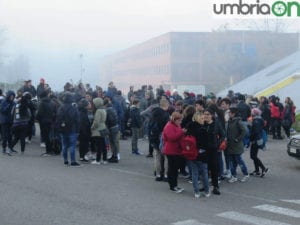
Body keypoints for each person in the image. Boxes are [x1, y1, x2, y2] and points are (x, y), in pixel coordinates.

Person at [186, 112, 210, 198]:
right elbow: (206, 144)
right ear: (199, 119)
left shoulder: (190, 128)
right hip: (202, 154)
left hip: (191, 153)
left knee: (195, 174)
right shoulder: (202, 130)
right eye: (203, 118)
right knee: (204, 173)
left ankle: (196, 192)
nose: (204, 120)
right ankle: (207, 191)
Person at [162, 112, 185, 193]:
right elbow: (171, 137)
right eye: (179, 120)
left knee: (175, 169)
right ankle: (173, 186)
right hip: (171, 150)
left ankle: (175, 185)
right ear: (174, 119)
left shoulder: (176, 125)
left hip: (176, 150)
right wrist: (182, 132)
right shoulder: (169, 126)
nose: (180, 122)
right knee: (173, 169)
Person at [56, 92, 80, 166]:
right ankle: (73, 161)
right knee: (72, 145)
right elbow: (77, 120)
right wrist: (78, 130)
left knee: (64, 145)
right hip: (72, 129)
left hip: (63, 129)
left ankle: (65, 160)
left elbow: (58, 118)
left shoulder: (61, 108)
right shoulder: (74, 108)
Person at [203, 108, 224, 195]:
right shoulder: (202, 124)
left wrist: (217, 143)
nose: (206, 116)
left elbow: (223, 135)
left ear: (212, 115)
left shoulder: (216, 124)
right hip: (203, 149)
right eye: (204, 114)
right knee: (204, 168)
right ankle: (205, 185)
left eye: (208, 114)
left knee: (214, 168)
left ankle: (215, 186)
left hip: (213, 149)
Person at [226, 107, 249, 183]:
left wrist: (238, 139)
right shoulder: (229, 121)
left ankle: (246, 174)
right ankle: (234, 176)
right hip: (230, 145)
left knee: (239, 161)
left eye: (229, 112)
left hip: (237, 145)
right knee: (233, 162)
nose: (228, 114)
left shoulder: (238, 121)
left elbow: (245, 131)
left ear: (233, 113)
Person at [249, 108, 269, 177]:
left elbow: (255, 131)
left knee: (253, 156)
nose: (251, 114)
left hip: (256, 140)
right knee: (254, 156)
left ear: (254, 114)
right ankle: (257, 170)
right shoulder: (259, 120)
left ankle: (263, 168)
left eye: (252, 113)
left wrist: (251, 139)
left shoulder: (256, 121)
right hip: (258, 139)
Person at [36, 90, 56, 156]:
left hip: (43, 122)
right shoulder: (52, 102)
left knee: (46, 136)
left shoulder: (42, 103)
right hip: (50, 121)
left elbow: (39, 113)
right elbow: (55, 113)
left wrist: (37, 119)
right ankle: (51, 150)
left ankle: (48, 151)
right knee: (49, 136)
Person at [90, 97, 107, 164]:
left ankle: (98, 160)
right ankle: (104, 159)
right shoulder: (103, 109)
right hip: (103, 128)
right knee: (103, 145)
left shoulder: (98, 111)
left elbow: (96, 122)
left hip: (98, 130)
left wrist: (92, 127)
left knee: (98, 146)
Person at [0, 90, 16, 155]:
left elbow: (15, 111)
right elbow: (2, 110)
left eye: (13, 96)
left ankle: (10, 148)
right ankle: (4, 148)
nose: (12, 98)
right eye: (11, 96)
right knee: (5, 136)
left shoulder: (14, 103)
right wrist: (8, 106)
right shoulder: (4, 102)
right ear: (8, 96)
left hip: (11, 121)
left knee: (10, 135)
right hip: (4, 121)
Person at [78, 98, 91, 163]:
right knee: (84, 144)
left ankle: (82, 156)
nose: (89, 105)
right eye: (88, 104)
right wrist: (85, 132)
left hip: (83, 131)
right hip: (84, 132)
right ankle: (82, 157)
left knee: (82, 144)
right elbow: (82, 124)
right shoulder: (83, 113)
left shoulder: (82, 111)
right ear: (85, 105)